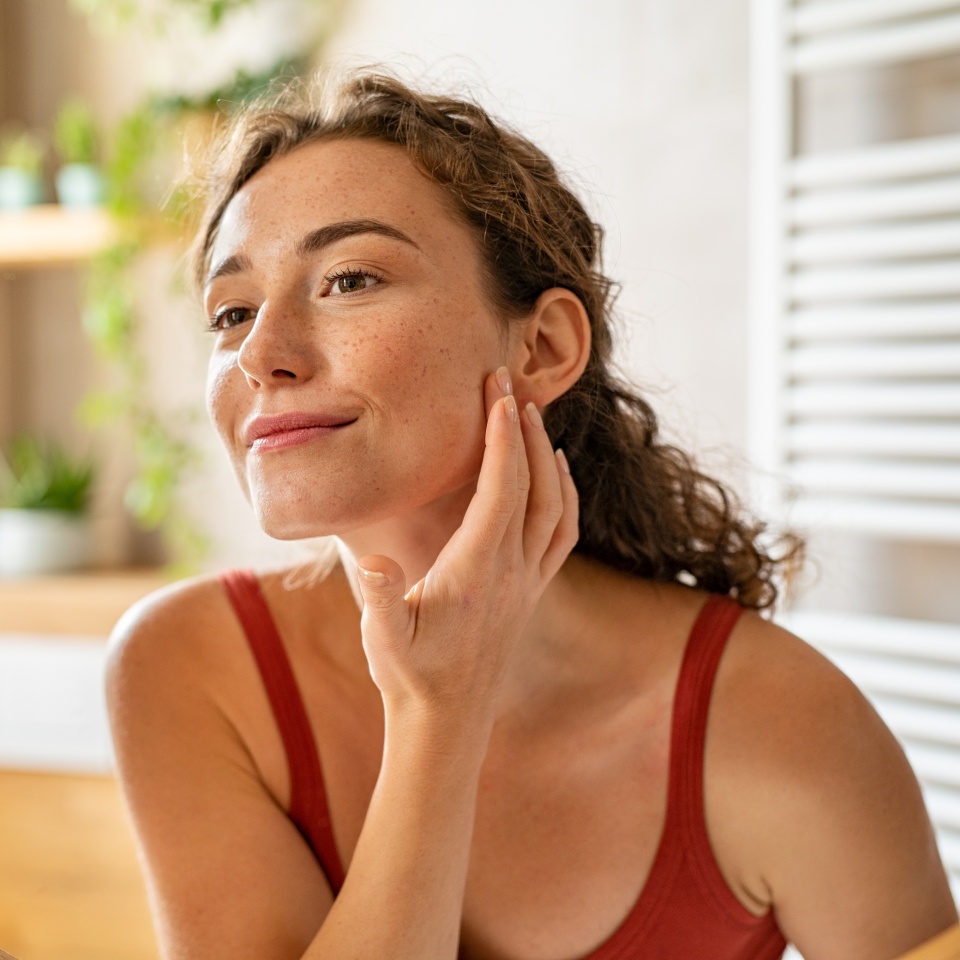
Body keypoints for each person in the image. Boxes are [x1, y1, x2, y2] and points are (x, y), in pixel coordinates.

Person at [106, 70, 958, 960]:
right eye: (231, 311)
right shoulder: (193, 669)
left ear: (544, 347)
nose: (261, 354)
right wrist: (439, 715)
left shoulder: (780, 720)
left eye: (350, 279)